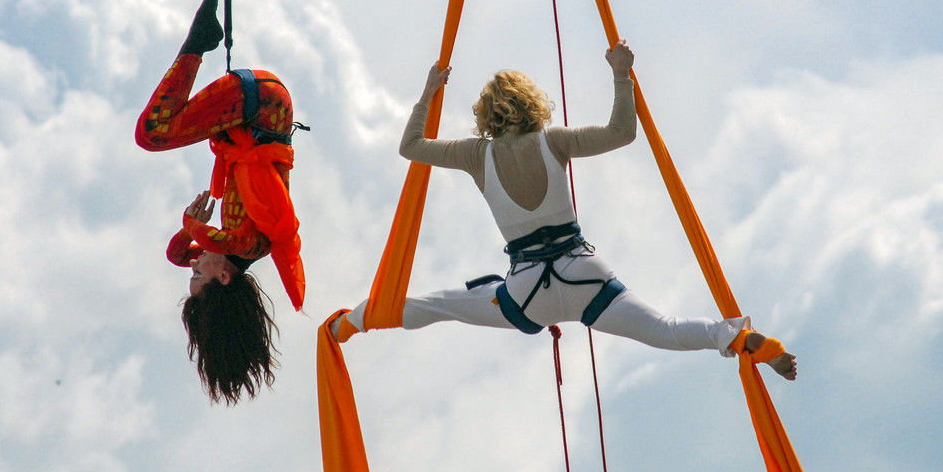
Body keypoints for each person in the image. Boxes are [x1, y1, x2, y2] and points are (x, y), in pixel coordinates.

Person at [332, 40, 796, 379]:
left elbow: (409, 146)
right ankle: (734, 337)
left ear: (485, 115)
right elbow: (621, 133)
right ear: (533, 104)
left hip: (526, 291)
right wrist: (620, 73)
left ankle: (350, 323)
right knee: (664, 329)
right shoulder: (555, 141)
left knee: (437, 305)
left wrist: (429, 93)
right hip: (583, 274)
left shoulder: (476, 154)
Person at [135, 0, 307, 404]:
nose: (192, 267)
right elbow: (212, 239)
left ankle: (199, 42)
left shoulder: (227, 257)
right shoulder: (249, 245)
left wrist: (187, 239)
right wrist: (192, 224)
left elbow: (179, 254)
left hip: (254, 108)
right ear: (224, 277)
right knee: (153, 133)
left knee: (156, 132)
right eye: (199, 276)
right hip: (263, 106)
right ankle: (198, 42)